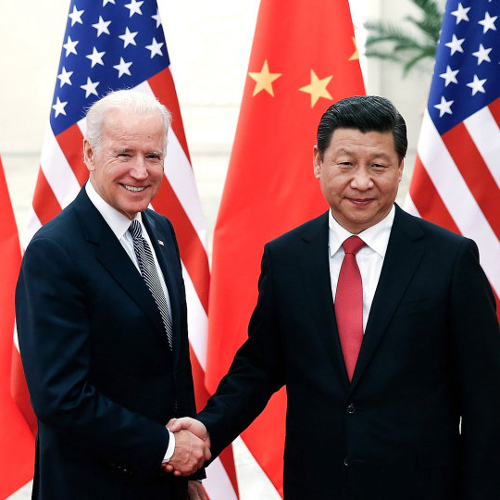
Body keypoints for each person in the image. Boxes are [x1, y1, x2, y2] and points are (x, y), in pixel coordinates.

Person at [168, 95, 500, 499]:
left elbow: (487, 398)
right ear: (317, 162)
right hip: (317, 485)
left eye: (378, 165)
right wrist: (207, 429)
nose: (362, 182)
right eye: (346, 164)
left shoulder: (450, 259)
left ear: (399, 168)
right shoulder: (286, 257)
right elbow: (258, 368)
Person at [16, 90, 209, 500]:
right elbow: (60, 398)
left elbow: (170, 364)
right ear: (89, 152)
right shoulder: (55, 251)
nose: (140, 172)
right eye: (124, 154)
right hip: (89, 486)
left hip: (164, 482)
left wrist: (189, 472)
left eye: (153, 156)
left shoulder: (161, 231)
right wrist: (169, 448)